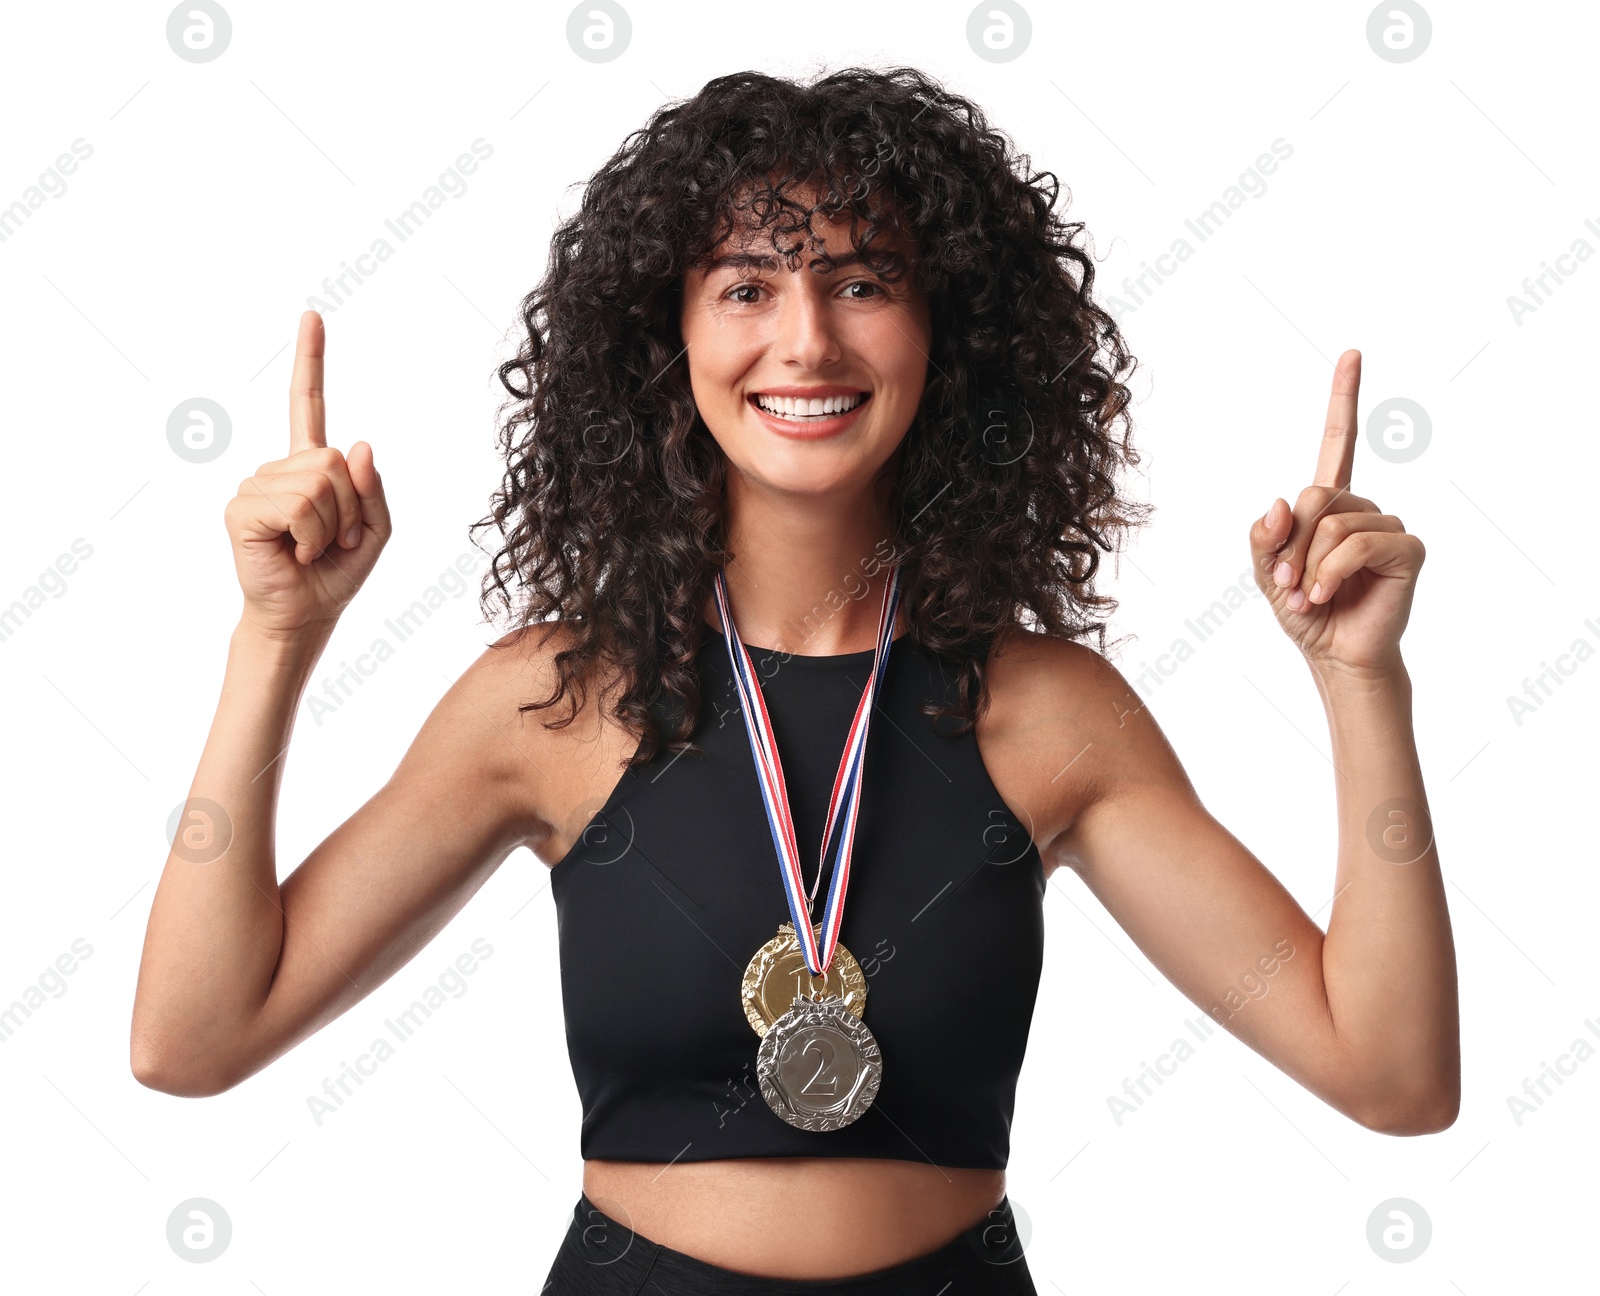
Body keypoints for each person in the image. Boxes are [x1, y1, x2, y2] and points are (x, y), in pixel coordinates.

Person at [130, 67, 1459, 1293]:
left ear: (950, 334)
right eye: (749, 285)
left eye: (864, 279)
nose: (808, 338)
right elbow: (191, 1039)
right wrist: (274, 639)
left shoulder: (1051, 714)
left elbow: (1393, 1072)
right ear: (671, 339)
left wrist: (1360, 682)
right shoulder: (558, 699)